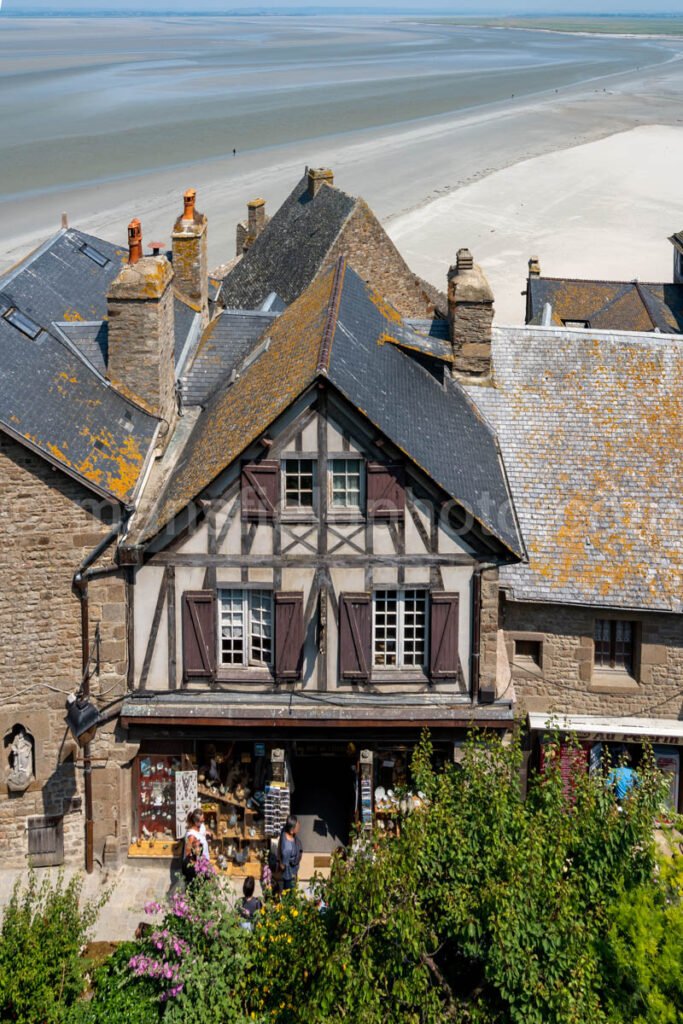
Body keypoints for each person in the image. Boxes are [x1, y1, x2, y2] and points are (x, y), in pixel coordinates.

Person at [182, 809, 211, 882]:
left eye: (203, 818)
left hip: (204, 860)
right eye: (201, 820)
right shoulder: (191, 836)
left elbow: (202, 832)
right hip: (198, 864)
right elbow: (188, 853)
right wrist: (197, 865)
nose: (203, 820)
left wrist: (206, 833)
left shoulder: (201, 826)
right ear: (196, 822)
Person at [278, 814, 302, 892]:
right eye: (297, 826)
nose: (299, 825)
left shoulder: (285, 829)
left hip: (293, 869)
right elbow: (283, 866)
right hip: (289, 874)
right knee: (289, 891)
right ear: (291, 831)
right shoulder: (287, 848)